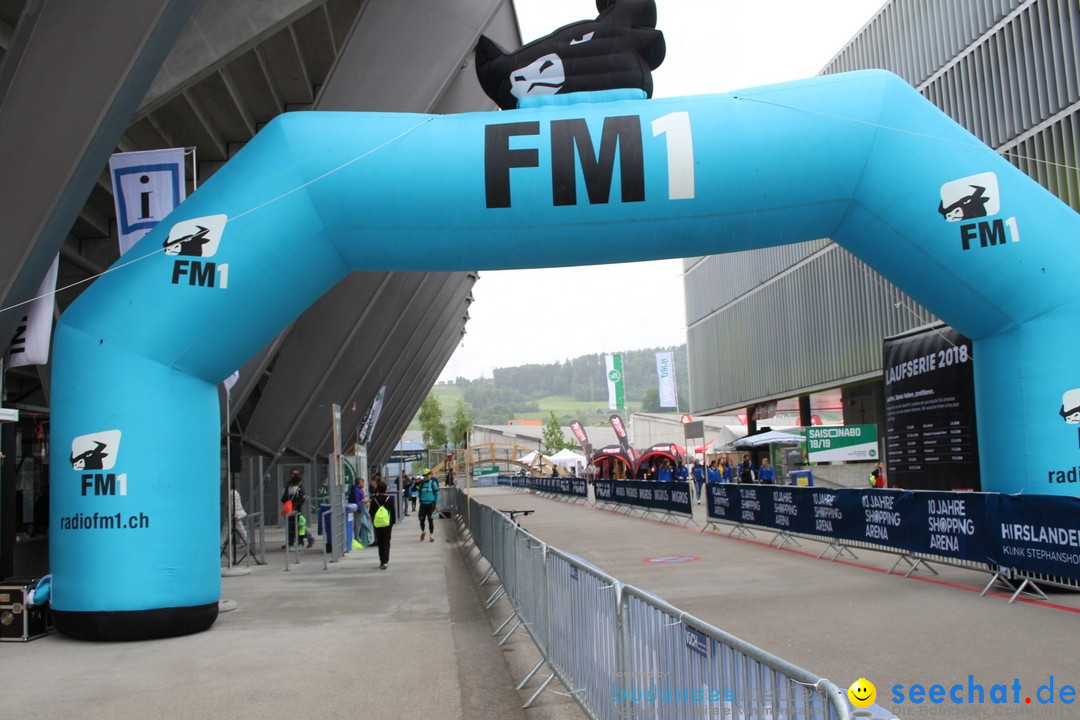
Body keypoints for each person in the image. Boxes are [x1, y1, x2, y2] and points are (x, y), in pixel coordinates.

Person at [369, 480, 396, 569]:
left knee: (380, 541)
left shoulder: (374, 500)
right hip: (388, 523)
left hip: (377, 523)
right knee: (386, 541)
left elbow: (371, 512)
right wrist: (393, 521)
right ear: (385, 489)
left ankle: (382, 560)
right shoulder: (390, 499)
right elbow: (392, 511)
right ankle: (386, 560)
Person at [221, 486, 248, 562]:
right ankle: (247, 543)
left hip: (233, 516)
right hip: (235, 516)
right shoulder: (235, 493)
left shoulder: (232, 493)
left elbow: (231, 505)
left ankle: (247, 543)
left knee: (225, 534)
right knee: (242, 531)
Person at [281, 469, 306, 549]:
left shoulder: (289, 488)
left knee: (291, 528)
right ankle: (300, 543)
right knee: (300, 527)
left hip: (289, 511)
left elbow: (283, 499)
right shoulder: (299, 490)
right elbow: (301, 500)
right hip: (297, 511)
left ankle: (291, 544)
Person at [417, 469, 440, 542]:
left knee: (430, 520)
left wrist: (436, 504)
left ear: (429, 476)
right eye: (423, 476)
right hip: (423, 504)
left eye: (426, 476)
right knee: (421, 520)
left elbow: (437, 494)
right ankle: (423, 532)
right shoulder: (421, 484)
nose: (424, 477)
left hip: (431, 504)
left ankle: (431, 535)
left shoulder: (433, 483)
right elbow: (417, 490)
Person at [348, 476, 367, 542]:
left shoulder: (358, 489)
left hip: (359, 507)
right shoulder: (356, 490)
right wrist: (359, 507)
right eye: (363, 482)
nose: (364, 484)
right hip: (358, 509)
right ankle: (356, 537)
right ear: (359, 483)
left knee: (358, 522)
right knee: (357, 523)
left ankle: (358, 536)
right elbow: (357, 500)